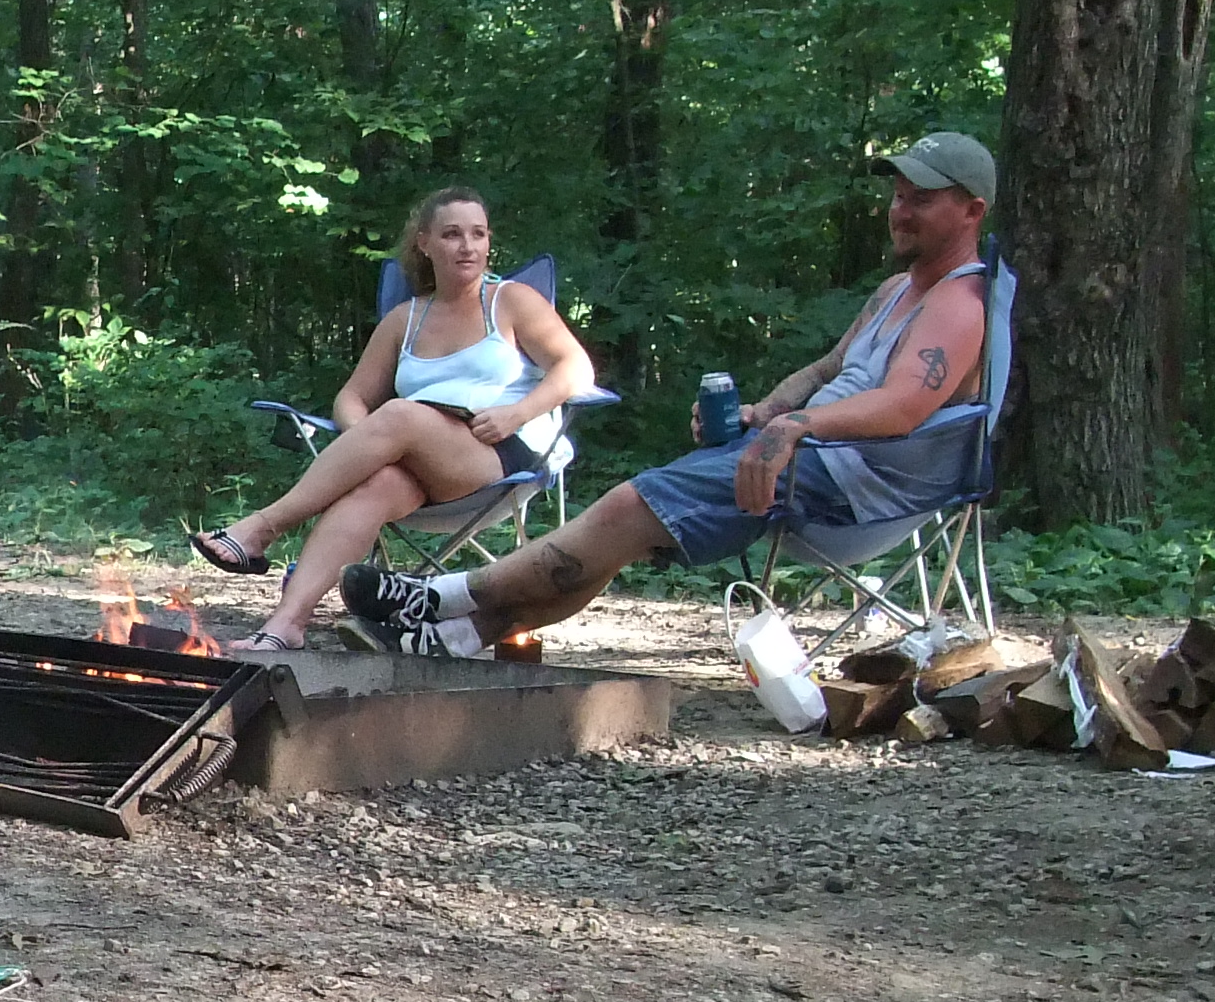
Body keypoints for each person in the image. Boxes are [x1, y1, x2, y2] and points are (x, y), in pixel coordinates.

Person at [348, 131, 1000, 656]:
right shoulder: (896, 290)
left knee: (632, 505)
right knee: (631, 527)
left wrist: (793, 427)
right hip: (807, 454)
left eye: (922, 201)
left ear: (972, 211)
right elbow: (828, 368)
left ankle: (435, 596)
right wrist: (768, 412)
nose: (900, 211)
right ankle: (455, 638)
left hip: (859, 480)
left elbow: (903, 407)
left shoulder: (958, 303)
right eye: (899, 196)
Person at [185, 186, 598, 654]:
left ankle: (262, 528)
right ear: (424, 243)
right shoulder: (406, 319)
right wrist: (366, 440)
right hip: (420, 459)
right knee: (373, 486)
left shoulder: (511, 301)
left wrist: (516, 413)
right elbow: (352, 397)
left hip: (499, 450)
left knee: (399, 413)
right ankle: (286, 626)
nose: (467, 246)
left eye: (478, 234)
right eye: (452, 234)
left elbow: (576, 368)